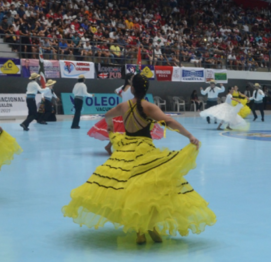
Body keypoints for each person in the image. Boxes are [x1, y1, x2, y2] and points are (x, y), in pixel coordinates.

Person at [63, 75, 215, 244]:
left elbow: (107, 115)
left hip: (126, 149)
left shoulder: (124, 105)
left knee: (128, 189)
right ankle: (149, 227)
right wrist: (189, 136)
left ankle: (140, 231)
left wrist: (111, 128)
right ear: (146, 90)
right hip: (145, 150)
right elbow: (169, 121)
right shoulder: (149, 106)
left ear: (132, 89)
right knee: (151, 189)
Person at [88, 73, 164, 154]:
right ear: (129, 80)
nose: (133, 80)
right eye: (132, 78)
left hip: (124, 111)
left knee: (122, 132)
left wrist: (122, 96)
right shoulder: (132, 89)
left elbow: (116, 91)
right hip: (129, 112)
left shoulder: (122, 88)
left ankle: (111, 146)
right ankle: (118, 147)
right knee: (128, 132)